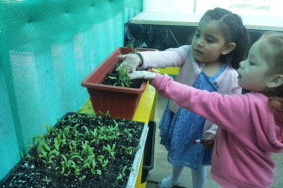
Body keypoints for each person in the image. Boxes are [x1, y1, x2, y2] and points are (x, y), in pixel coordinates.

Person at [128, 32, 283, 188]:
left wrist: (160, 80)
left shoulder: (247, 106)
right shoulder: (274, 106)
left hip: (237, 182)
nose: (242, 63)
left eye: (252, 62)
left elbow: (202, 100)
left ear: (275, 79)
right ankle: (174, 179)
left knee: (196, 164)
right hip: (259, 178)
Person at [118, 8, 249, 188]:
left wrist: (213, 133)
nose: (199, 43)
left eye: (209, 40)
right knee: (176, 155)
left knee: (196, 166)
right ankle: (174, 178)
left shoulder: (232, 77)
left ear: (227, 47)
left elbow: (229, 112)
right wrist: (140, 57)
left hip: (201, 131)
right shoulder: (187, 53)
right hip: (179, 120)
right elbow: (166, 55)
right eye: (197, 34)